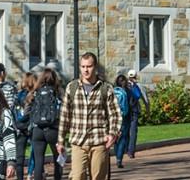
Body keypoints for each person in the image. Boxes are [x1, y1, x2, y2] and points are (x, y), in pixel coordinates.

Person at [58, 52, 122, 180]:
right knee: (77, 176)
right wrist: (61, 140)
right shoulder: (72, 87)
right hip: (78, 142)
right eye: (83, 67)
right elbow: (65, 115)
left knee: (98, 177)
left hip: (98, 141)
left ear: (95, 67)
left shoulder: (105, 88)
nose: (86, 70)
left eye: (89, 66)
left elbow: (115, 114)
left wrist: (112, 134)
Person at [26, 68, 63, 180]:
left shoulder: (35, 92)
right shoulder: (57, 92)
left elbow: (26, 111)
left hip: (37, 130)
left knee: (38, 162)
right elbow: (64, 110)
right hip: (53, 129)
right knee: (58, 160)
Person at [13, 73, 36, 180]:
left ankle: (20, 177)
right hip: (31, 127)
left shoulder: (18, 94)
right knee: (34, 152)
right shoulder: (34, 95)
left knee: (20, 156)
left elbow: (14, 111)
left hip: (19, 126)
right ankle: (30, 173)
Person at [124, 70, 148, 158]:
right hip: (134, 110)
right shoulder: (139, 86)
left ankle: (126, 148)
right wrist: (147, 110)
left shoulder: (124, 85)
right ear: (136, 76)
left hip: (125, 111)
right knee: (133, 131)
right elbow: (145, 99)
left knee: (125, 130)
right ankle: (131, 151)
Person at [111, 75, 132, 168]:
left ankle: (117, 155)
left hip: (114, 116)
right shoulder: (127, 91)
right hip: (124, 116)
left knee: (115, 137)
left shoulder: (113, 91)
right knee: (123, 137)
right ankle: (119, 159)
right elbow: (133, 100)